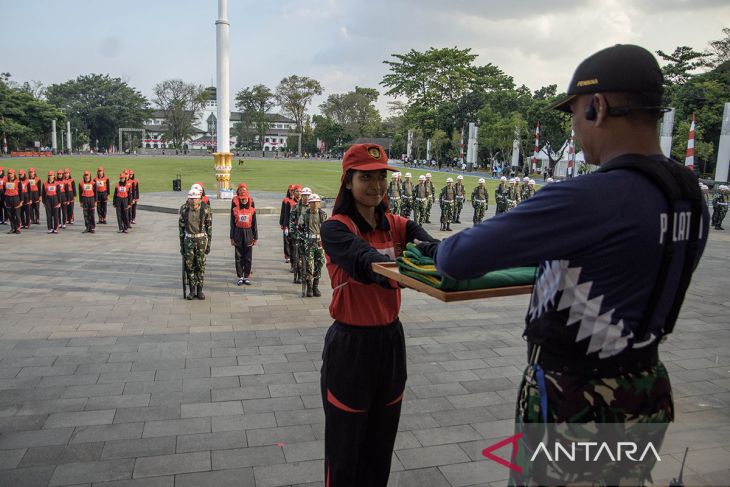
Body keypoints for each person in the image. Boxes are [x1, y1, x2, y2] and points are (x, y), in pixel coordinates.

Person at [431, 44, 709, 485]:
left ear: (598, 106)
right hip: (645, 387)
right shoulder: (689, 193)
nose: (576, 131)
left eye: (576, 115)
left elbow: (457, 256)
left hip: (578, 398)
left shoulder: (591, 196)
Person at [320, 143, 437, 487]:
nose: (376, 186)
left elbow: (428, 248)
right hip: (351, 347)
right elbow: (364, 261)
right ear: (348, 181)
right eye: (365, 178)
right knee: (345, 455)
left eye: (381, 177)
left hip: (390, 343)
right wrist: (409, 272)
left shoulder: (398, 225)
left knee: (380, 450)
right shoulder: (337, 228)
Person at [179, 186, 212, 299]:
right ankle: (192, 290)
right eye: (191, 198)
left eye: (195, 198)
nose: (193, 200)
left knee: (200, 265)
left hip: (201, 240)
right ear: (188, 199)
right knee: (189, 266)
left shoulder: (206, 209)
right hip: (188, 240)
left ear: (200, 199)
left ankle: (200, 290)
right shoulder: (184, 209)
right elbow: (181, 229)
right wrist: (182, 246)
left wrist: (209, 244)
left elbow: (209, 227)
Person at [230, 183, 257, 286]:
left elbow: (254, 224)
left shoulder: (252, 209)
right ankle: (240, 276)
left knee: (248, 257)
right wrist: (231, 237)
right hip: (238, 233)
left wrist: (255, 237)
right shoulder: (235, 209)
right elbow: (232, 224)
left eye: (245, 199)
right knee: (238, 256)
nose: (243, 200)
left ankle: (246, 276)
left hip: (248, 233)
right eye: (241, 199)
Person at [302, 193, 327, 297]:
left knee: (319, 263)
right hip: (309, 242)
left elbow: (325, 229)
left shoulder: (323, 215)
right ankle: (309, 286)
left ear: (319, 203)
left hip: (319, 242)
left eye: (316, 202)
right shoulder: (304, 215)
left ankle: (316, 285)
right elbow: (299, 228)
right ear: (309, 204)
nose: (314, 205)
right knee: (308, 264)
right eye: (312, 203)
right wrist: (303, 240)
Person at [290, 186, 312, 285]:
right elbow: (291, 221)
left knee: (308, 259)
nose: (306, 197)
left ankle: (307, 277)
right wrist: (293, 233)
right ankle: (298, 275)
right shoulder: (295, 207)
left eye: (308, 195)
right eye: (304, 195)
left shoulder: (313, 207)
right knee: (298, 258)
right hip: (298, 236)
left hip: (309, 237)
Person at [279, 184, 298, 266]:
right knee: (286, 241)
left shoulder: (298, 201)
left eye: (294, 190)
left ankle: (294, 257)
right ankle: (287, 256)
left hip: (295, 224)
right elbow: (283, 213)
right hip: (287, 223)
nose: (292, 192)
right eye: (291, 190)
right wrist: (283, 224)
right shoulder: (286, 200)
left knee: (293, 242)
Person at [3, 169, 21, 234]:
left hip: (15, 198)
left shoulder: (18, 181)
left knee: (17, 214)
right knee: (10, 215)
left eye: (11, 173)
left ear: (14, 174)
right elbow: (4, 190)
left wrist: (21, 201)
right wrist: (5, 200)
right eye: (9, 173)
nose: (10, 175)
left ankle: (18, 228)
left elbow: (20, 192)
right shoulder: (6, 182)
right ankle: (13, 228)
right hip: (8, 199)